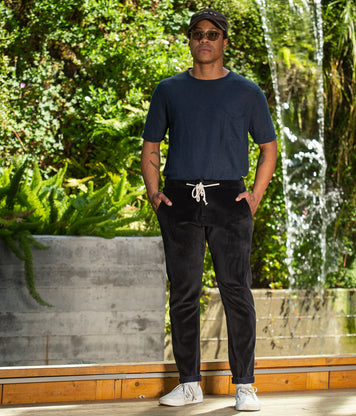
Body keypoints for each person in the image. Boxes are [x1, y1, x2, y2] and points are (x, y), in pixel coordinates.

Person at [141, 8, 277, 412]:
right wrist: (154, 192)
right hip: (179, 199)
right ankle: (189, 384)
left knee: (236, 291)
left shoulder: (247, 92)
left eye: (212, 34)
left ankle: (245, 386)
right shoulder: (168, 90)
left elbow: (268, 149)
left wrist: (254, 195)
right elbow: (151, 146)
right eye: (197, 33)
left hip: (230, 199)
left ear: (224, 41)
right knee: (184, 292)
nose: (204, 39)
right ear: (190, 40)